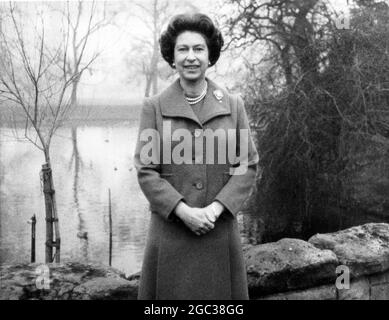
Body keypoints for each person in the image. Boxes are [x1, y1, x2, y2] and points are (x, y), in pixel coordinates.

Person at [134, 12, 259, 300]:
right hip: (170, 238)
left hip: (219, 235)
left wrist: (215, 210)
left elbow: (247, 165)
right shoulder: (154, 107)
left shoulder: (233, 105)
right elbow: (146, 171)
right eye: (183, 49)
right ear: (172, 57)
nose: (191, 57)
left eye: (198, 49)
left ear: (210, 55)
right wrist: (184, 212)